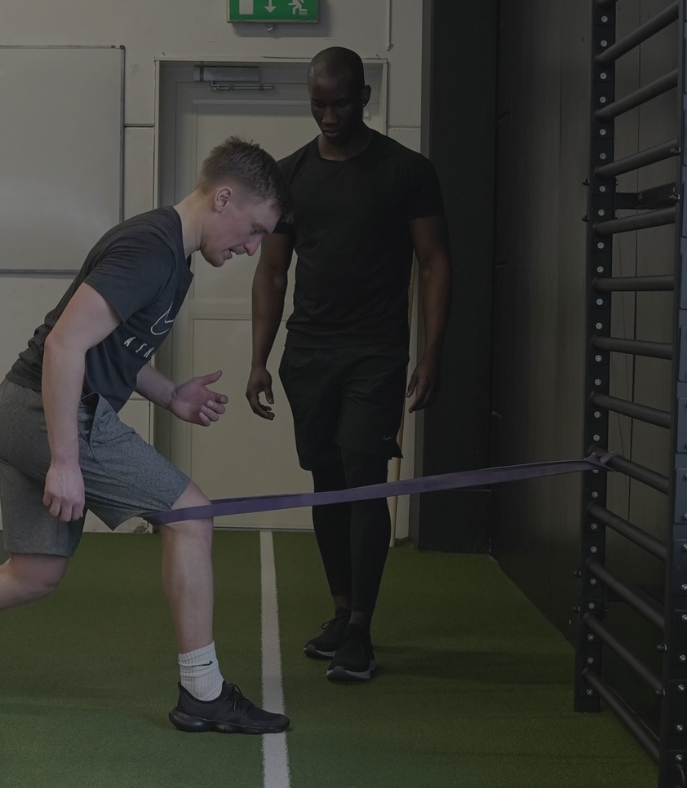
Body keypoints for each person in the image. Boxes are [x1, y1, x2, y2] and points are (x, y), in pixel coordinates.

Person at [0, 136, 293, 735]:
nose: (254, 247)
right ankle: (203, 693)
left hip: (21, 408)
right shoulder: (150, 248)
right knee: (191, 516)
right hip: (50, 413)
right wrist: (64, 459)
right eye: (255, 229)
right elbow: (64, 345)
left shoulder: (173, 256)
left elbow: (110, 346)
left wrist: (170, 395)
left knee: (34, 573)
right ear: (224, 198)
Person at [245, 47, 452, 682]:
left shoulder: (406, 171)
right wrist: (258, 360)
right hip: (308, 353)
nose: (329, 116)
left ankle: (361, 627)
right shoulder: (289, 176)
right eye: (318, 105)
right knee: (328, 481)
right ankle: (341, 611)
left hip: (375, 353)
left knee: (366, 480)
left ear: (364, 97)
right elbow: (272, 272)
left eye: (340, 103)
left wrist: (431, 352)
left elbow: (433, 261)